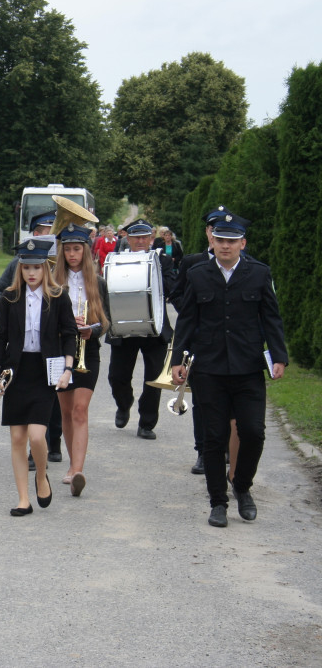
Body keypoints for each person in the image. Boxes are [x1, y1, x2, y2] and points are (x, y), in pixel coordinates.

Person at [171, 212, 287, 528]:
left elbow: (271, 319)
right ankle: (218, 502)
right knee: (214, 437)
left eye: (232, 241)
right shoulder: (198, 275)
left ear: (242, 244)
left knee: (253, 432)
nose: (225, 246)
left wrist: (279, 356)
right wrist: (177, 362)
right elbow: (187, 322)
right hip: (209, 369)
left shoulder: (259, 274)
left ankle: (242, 485)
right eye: (220, 240)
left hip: (248, 367)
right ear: (213, 241)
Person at [0, 239, 77, 516]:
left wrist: (67, 369)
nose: (31, 273)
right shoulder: (9, 297)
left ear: (45, 268)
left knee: (38, 436)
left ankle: (41, 475)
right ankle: (23, 499)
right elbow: (0, 336)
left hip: (45, 370)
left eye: (36, 267)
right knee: (17, 437)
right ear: (20, 268)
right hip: (15, 370)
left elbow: (70, 334)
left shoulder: (58, 296)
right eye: (26, 267)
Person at [0, 209, 63, 467]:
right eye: (47, 230)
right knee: (22, 430)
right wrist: (11, 311)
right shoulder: (18, 265)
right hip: (20, 363)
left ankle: (50, 445)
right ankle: (38, 455)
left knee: (49, 412)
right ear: (35, 233)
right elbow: (0, 294)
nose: (52, 235)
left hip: (50, 358)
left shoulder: (63, 260)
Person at [170, 206, 231, 474]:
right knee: (202, 400)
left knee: (232, 400)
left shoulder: (240, 262)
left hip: (231, 344)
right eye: (213, 229)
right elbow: (176, 294)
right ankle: (203, 451)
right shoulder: (193, 262)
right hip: (199, 342)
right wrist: (195, 313)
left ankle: (228, 448)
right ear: (208, 233)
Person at [52, 224, 110, 497]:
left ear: (85, 251)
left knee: (80, 410)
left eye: (77, 249)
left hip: (89, 349)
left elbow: (108, 321)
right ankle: (70, 464)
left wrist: (92, 328)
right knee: (65, 412)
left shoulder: (97, 282)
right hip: (61, 350)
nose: (72, 254)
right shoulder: (52, 283)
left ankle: (76, 470)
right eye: (67, 249)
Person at [106, 218, 175, 440]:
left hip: (154, 328)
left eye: (145, 237)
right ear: (127, 238)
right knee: (117, 377)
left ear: (152, 238)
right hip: (123, 325)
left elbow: (172, 287)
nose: (141, 241)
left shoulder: (162, 261)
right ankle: (124, 404)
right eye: (136, 237)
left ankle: (146, 423)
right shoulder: (116, 260)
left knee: (154, 378)